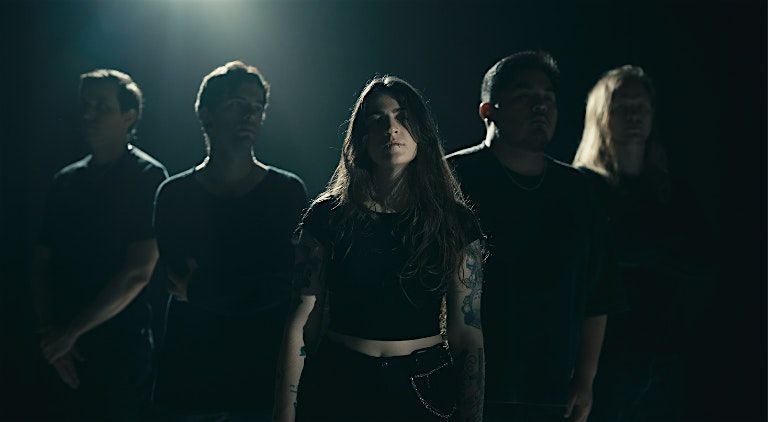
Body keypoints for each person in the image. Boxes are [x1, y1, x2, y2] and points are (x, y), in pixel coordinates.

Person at [273, 76, 486, 422]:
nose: (391, 128)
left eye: (403, 117)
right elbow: (301, 323)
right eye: (377, 119)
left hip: (424, 389)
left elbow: (467, 334)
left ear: (422, 131)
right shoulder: (327, 216)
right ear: (361, 136)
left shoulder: (455, 222)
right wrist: (284, 413)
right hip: (340, 381)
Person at [446, 51, 625, 422]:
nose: (540, 106)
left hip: (550, 392)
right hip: (465, 388)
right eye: (524, 95)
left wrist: (585, 379)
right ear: (488, 111)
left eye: (548, 97)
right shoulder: (453, 179)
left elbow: (598, 294)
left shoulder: (578, 191)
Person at [152, 61, 307, 420]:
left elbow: (287, 284)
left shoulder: (287, 192)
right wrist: (251, 285)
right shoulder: (174, 194)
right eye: (237, 103)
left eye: (257, 107)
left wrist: (204, 289)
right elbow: (177, 281)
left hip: (262, 375)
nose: (250, 115)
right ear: (206, 115)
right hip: (190, 375)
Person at [30, 69, 168, 420]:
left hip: (120, 349)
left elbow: (138, 272)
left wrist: (67, 335)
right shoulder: (65, 181)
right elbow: (41, 265)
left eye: (102, 107)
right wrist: (53, 337)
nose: (89, 115)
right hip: (60, 348)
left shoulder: (147, 177)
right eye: (86, 105)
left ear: (129, 116)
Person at [573, 65, 706, 421]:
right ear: (602, 116)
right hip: (606, 359)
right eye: (622, 107)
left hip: (665, 356)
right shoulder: (583, 188)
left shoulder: (671, 192)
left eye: (641, 106)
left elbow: (699, 261)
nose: (634, 116)